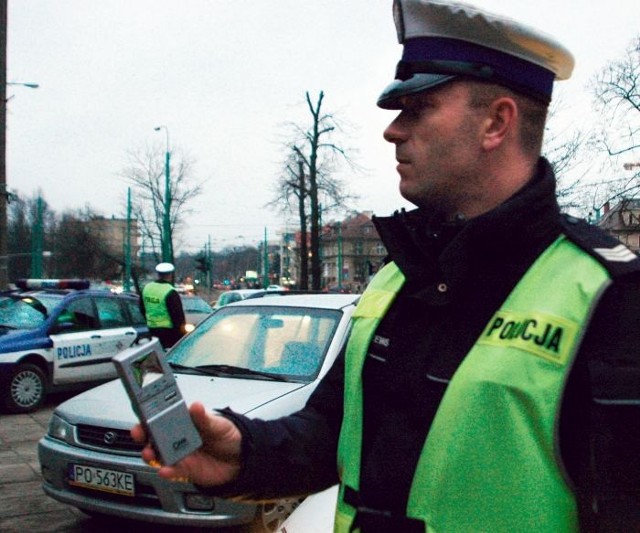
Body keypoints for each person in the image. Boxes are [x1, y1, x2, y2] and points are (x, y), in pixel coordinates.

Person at [133, 1, 640, 531]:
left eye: (417, 109)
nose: (392, 131)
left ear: (496, 122)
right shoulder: (398, 277)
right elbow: (334, 432)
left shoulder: (611, 298)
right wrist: (241, 455)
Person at [140, 262, 186, 349]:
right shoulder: (170, 291)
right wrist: (181, 333)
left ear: (158, 274)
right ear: (170, 275)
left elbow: (142, 308)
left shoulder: (147, 288)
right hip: (169, 331)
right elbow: (177, 315)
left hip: (152, 328)